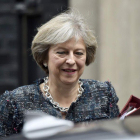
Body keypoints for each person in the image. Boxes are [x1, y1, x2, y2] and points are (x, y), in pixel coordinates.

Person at [0, 10, 119, 137]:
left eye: (78, 53)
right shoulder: (15, 102)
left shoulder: (104, 95)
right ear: (44, 57)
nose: (71, 60)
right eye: (61, 52)